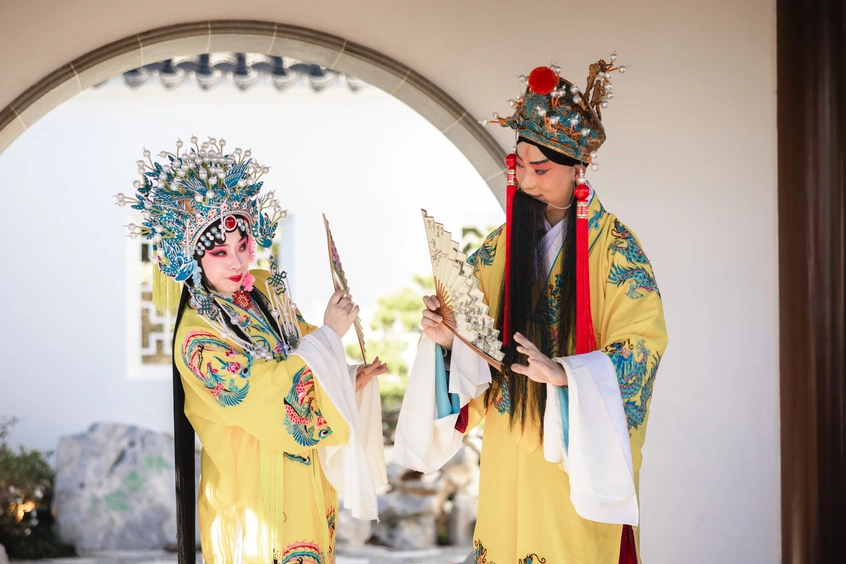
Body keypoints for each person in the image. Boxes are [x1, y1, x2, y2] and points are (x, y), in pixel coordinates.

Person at [394, 57, 668, 563]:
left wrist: (566, 373)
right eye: (519, 165)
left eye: (541, 169)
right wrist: (449, 338)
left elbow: (641, 347)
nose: (527, 179)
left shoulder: (616, 252)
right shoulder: (499, 248)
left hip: (571, 459)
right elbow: (477, 341)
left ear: (577, 169)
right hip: (507, 447)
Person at [114, 137, 388, 564]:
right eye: (220, 252)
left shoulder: (261, 287)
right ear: (190, 258)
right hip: (253, 495)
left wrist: (348, 376)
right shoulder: (196, 338)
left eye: (242, 246)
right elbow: (268, 398)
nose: (237, 262)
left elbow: (304, 350)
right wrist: (330, 338)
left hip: (304, 478)